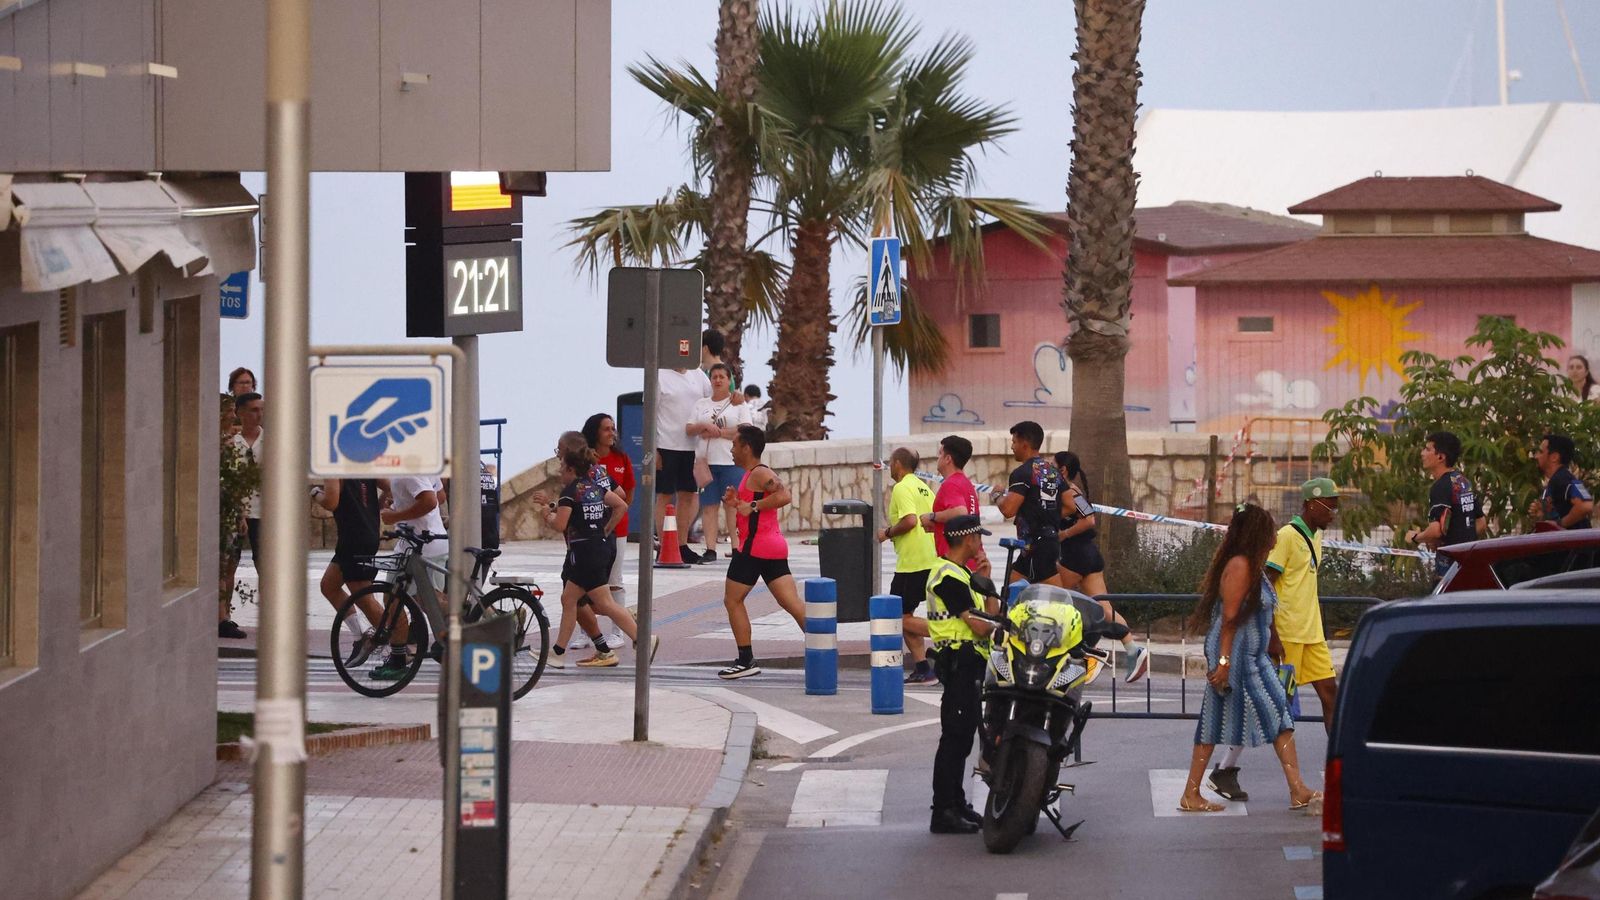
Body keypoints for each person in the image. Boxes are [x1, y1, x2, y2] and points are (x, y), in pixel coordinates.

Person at [1180, 503, 1321, 814]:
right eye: (1270, 530)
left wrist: (1270, 642)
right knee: (1238, 718)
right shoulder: (1241, 566)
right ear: (1258, 533)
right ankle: (1192, 793)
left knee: (1274, 714)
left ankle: (1296, 787)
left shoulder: (1252, 566)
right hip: (1239, 660)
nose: (1274, 537)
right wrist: (1225, 664)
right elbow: (1230, 619)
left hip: (1251, 657)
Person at [542, 444, 657, 668]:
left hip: (585, 553)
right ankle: (557, 653)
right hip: (598, 548)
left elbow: (560, 524)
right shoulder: (594, 488)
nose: (560, 472)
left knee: (604, 603)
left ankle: (643, 639)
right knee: (569, 599)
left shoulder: (570, 493)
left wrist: (547, 513)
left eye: (563, 467)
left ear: (572, 469)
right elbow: (621, 504)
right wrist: (605, 529)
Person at [924, 514, 998, 834]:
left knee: (964, 734)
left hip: (971, 663)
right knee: (954, 737)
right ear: (967, 539)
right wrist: (997, 627)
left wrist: (988, 579)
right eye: (978, 537)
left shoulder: (966, 576)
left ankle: (956, 802)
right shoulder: (947, 576)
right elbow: (981, 625)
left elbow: (990, 614)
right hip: (958, 661)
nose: (980, 543)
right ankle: (943, 811)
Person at [718, 425, 806, 679]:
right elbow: (751, 508)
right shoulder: (750, 475)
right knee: (791, 604)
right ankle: (823, 647)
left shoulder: (760, 472)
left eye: (735, 444)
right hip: (773, 547)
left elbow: (784, 494)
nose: (732, 449)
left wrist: (753, 505)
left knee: (732, 600)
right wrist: (737, 503)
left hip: (755, 548)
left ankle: (746, 660)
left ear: (747, 447)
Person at [1054, 451, 1149, 684]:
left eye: (1052, 466)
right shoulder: (1065, 492)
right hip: (1088, 555)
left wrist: (1064, 534)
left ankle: (1081, 654)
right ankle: (1133, 650)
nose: (1048, 470)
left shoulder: (1071, 492)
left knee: (1052, 599)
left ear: (1063, 470)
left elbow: (1089, 519)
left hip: (1075, 556)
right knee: (1105, 609)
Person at [372, 472, 448, 680]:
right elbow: (439, 495)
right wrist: (402, 503)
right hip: (422, 542)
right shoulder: (425, 463)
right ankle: (477, 617)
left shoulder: (410, 469)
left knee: (399, 598)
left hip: (421, 544)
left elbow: (431, 501)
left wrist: (395, 516)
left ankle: (398, 660)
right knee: (423, 601)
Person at [311, 478, 388, 666]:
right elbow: (390, 486)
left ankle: (395, 648)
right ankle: (360, 634)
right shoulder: (363, 463)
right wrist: (374, 506)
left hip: (353, 537)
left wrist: (315, 494)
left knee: (363, 596)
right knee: (329, 586)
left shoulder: (334, 465)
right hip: (365, 533)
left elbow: (331, 502)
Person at [877, 448, 938, 684]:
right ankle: (924, 668)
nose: (889, 468)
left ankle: (951, 634)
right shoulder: (924, 487)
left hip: (913, 562)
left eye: (891, 463)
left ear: (898, 463)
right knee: (904, 615)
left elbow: (910, 521)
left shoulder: (902, 487)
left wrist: (887, 533)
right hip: (929, 558)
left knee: (894, 616)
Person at [655, 341, 713, 563]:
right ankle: (663, 543)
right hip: (666, 445)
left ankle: (681, 543)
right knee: (665, 495)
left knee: (688, 495)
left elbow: (713, 399)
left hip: (692, 446)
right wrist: (653, 450)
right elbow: (649, 412)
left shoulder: (698, 376)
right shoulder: (659, 375)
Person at [689, 363, 752, 563]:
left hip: (731, 462)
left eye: (721, 377)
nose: (717, 380)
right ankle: (710, 548)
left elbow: (744, 430)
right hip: (707, 463)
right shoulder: (701, 404)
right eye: (714, 376)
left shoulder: (738, 404)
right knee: (709, 506)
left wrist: (719, 433)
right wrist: (703, 427)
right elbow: (690, 428)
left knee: (732, 506)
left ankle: (736, 546)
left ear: (728, 380)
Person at [1406, 431, 1482, 577]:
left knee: (1441, 599)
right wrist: (1457, 540)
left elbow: (1436, 530)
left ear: (1441, 457)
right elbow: (1480, 523)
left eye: (1428, 449)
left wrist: (1416, 537)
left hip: (1448, 567)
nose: (1422, 453)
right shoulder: (1463, 482)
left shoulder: (1441, 487)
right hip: (1467, 562)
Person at [996, 421, 1063, 586]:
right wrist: (1047, 515)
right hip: (1044, 543)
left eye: (1014, 442)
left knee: (1057, 598)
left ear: (1024, 444)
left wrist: (997, 495)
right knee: (1011, 590)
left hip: (1036, 546)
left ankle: (1073, 612)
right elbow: (1069, 504)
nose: (1012, 447)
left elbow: (1008, 510)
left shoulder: (1022, 473)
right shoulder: (1052, 471)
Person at [583, 412, 635, 612]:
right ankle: (587, 632)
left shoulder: (621, 458)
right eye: (606, 429)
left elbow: (629, 489)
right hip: (590, 525)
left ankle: (618, 631)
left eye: (613, 428)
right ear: (595, 432)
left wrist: (619, 510)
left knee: (615, 578)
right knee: (586, 580)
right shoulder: (586, 459)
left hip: (618, 527)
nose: (612, 433)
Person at [920, 435, 987, 576]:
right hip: (973, 561)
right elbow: (965, 521)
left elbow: (961, 512)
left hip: (956, 566)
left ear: (948, 459)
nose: (937, 458)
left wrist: (932, 517)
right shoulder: (966, 483)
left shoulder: (951, 485)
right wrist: (938, 526)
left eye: (940, 454)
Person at [217, 395, 248, 639]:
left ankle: (224, 614)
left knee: (229, 566)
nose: (232, 414)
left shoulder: (230, 441)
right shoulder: (220, 443)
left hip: (230, 511)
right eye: (227, 410)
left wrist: (241, 514)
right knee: (221, 566)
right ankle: (220, 617)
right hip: (220, 511)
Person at [228, 392, 265, 566]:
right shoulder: (231, 443)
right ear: (240, 412)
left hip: (264, 511)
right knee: (229, 564)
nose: (259, 414)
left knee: (264, 562)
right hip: (235, 510)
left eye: (261, 410)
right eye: (254, 410)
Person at [1531, 433, 1594, 529]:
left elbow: (1586, 505)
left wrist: (1560, 524)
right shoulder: (1556, 481)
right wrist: (1541, 513)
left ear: (1554, 457)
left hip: (1575, 543)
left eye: (1540, 452)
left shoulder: (1564, 478)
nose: (1536, 456)